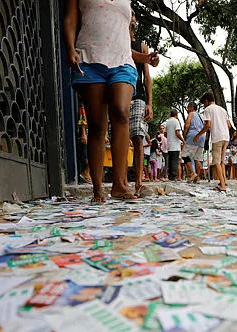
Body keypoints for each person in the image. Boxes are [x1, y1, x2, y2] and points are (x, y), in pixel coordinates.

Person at [63, 0, 158, 202]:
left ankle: (120, 185)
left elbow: (121, 41)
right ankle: (98, 188)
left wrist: (146, 58)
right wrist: (70, 48)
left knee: (121, 111)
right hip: (89, 59)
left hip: (123, 62)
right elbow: (70, 19)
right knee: (97, 125)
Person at [129, 9, 154, 195]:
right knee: (120, 138)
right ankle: (120, 181)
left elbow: (147, 76)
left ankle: (138, 182)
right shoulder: (115, 41)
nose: (130, 17)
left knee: (138, 137)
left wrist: (150, 103)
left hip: (137, 96)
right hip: (117, 92)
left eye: (133, 14)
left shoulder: (141, 46)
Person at [195, 92, 232, 191]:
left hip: (217, 137)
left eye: (204, 103)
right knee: (222, 161)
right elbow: (229, 125)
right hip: (226, 136)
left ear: (206, 101)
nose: (204, 105)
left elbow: (208, 125)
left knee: (216, 162)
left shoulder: (208, 110)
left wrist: (198, 135)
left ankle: (223, 186)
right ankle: (223, 181)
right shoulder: (222, 110)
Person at [182, 102, 205, 183]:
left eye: (188, 108)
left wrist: (184, 135)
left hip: (192, 135)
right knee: (197, 158)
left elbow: (187, 125)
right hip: (202, 136)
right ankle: (197, 178)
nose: (187, 110)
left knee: (185, 155)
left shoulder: (191, 114)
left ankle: (192, 173)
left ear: (191, 107)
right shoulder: (202, 116)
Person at [165, 110, 184, 181]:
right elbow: (177, 133)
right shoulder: (176, 121)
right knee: (175, 161)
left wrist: (170, 137)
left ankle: (170, 176)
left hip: (169, 144)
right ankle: (173, 176)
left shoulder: (167, 122)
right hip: (175, 145)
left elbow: (165, 134)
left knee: (170, 161)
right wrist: (183, 140)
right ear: (176, 114)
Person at [77, 104, 92, 184]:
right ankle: (86, 173)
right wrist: (83, 134)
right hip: (87, 134)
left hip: (93, 134)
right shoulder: (84, 108)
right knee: (89, 155)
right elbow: (82, 122)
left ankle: (87, 173)